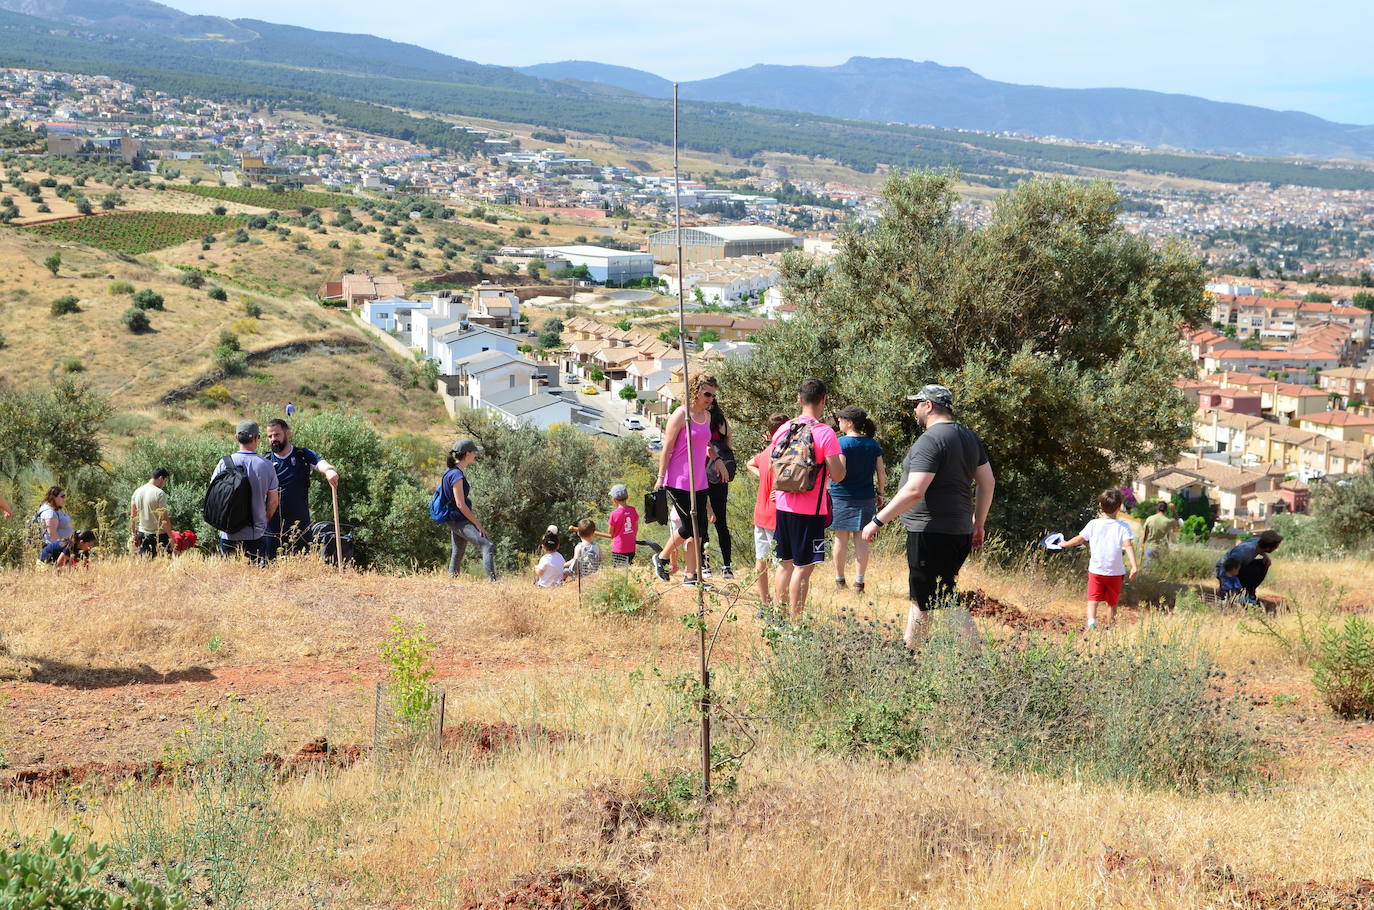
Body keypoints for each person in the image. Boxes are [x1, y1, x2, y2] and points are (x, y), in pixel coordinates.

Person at [862, 384, 995, 649]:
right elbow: (987, 482)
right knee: (925, 597)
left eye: (917, 403)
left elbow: (914, 490)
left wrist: (878, 520)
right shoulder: (968, 437)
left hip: (931, 531)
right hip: (957, 531)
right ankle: (910, 652)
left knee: (942, 598)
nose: (914, 409)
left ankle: (978, 657)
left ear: (929, 405)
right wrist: (978, 523)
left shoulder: (931, 440)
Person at [771, 378, 847, 617]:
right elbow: (838, 475)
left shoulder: (784, 429)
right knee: (803, 568)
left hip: (782, 507)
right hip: (810, 512)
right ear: (823, 400)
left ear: (799, 400)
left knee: (784, 565)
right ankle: (796, 623)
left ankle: (778, 619)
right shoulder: (824, 433)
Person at [652, 375, 718, 586]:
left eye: (713, 395)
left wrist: (717, 460)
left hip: (699, 481)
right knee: (690, 527)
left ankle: (691, 575)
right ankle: (661, 557)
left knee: (700, 531)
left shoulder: (707, 416)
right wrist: (660, 477)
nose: (710, 399)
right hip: (678, 480)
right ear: (695, 391)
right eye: (707, 394)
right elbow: (667, 448)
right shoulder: (681, 414)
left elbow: (703, 446)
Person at [1058, 489, 1139, 630]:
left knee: (1092, 600)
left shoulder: (1093, 524)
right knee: (1112, 603)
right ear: (1119, 507)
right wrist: (1134, 566)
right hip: (1115, 572)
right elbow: (1128, 545)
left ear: (1100, 505)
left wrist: (1065, 543)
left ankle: (1091, 624)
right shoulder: (1123, 527)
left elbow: (1080, 538)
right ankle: (1110, 629)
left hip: (1096, 570)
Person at [263, 418, 339, 559]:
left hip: (300, 524)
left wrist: (329, 471)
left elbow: (320, 463)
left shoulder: (302, 455)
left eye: (277, 435)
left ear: (287, 433)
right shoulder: (265, 461)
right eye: (270, 436)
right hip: (272, 527)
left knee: (302, 562)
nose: (274, 439)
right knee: (270, 566)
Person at [829, 406, 886, 594]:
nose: (839, 422)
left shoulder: (841, 443)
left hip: (841, 497)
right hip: (866, 497)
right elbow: (881, 472)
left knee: (840, 539)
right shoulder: (872, 444)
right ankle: (859, 582)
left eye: (841, 419)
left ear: (850, 422)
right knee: (862, 540)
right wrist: (881, 493)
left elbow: (841, 471)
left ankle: (839, 580)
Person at [210, 420, 280, 563]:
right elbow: (273, 501)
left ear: (236, 438)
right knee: (254, 577)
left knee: (228, 576)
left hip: (228, 532)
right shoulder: (266, 465)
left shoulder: (224, 463)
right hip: (256, 532)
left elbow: (213, 495)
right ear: (257, 438)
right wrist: (264, 520)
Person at [746, 413, 790, 606]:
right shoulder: (786, 452)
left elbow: (749, 463)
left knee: (761, 560)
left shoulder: (766, 451)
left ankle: (764, 602)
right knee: (782, 563)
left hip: (760, 513)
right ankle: (781, 604)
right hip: (776, 514)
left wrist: (763, 476)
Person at [441, 438, 497, 581]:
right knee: (487, 545)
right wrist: (478, 525)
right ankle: (493, 583)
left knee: (458, 550)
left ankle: (451, 581)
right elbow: (460, 504)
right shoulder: (456, 475)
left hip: (453, 519)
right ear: (467, 454)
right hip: (458, 519)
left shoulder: (450, 471)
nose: (476, 455)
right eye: (474, 452)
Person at [703, 399, 736, 579]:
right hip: (721, 476)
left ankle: (705, 565)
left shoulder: (702, 419)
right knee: (721, 523)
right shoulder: (722, 420)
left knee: (702, 521)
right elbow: (729, 442)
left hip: (705, 470)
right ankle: (727, 567)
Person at [1216, 529, 1282, 603]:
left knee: (1263, 564)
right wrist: (1222, 585)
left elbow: (1260, 550)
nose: (1276, 548)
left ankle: (1248, 593)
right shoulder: (1245, 552)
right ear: (1268, 548)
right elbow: (1228, 566)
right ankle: (1243, 595)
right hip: (1226, 569)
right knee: (1255, 570)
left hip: (1237, 566)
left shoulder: (1257, 542)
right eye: (1275, 547)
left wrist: (1265, 556)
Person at [130, 468, 174, 557]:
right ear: (161, 478)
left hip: (142, 534)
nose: (164, 484)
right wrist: (171, 538)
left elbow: (132, 516)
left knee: (146, 566)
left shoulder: (137, 492)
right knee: (162, 565)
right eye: (165, 481)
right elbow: (164, 519)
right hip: (159, 536)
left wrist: (134, 534)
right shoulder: (160, 494)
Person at [594, 484, 639, 567]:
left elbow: (610, 533)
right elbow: (636, 528)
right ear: (627, 497)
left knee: (618, 570)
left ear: (614, 499)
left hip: (619, 549)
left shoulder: (614, 514)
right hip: (631, 548)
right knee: (628, 568)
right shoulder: (633, 510)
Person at [1141, 500, 1177, 570]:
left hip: (1150, 548)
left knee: (1147, 571)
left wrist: (1142, 546)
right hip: (1162, 549)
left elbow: (1145, 534)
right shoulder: (1168, 521)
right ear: (1166, 510)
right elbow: (1180, 522)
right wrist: (1173, 510)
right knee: (1160, 572)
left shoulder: (1149, 519)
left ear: (1157, 508)